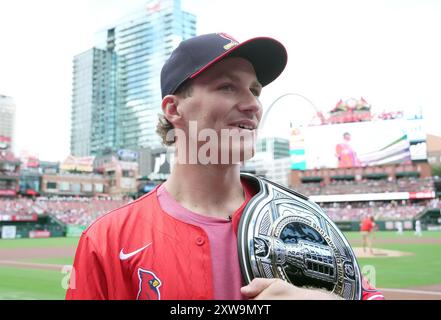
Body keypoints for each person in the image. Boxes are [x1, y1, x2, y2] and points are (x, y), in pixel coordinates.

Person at [66, 33, 383, 300]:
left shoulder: (301, 221)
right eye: (227, 87)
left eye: (255, 90)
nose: (253, 104)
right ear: (174, 109)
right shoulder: (106, 240)